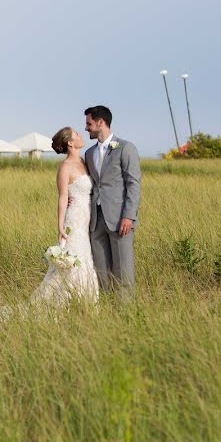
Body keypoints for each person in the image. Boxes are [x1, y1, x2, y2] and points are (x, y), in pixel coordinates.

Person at [0, 127, 98, 320]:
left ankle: (85, 304)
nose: (81, 136)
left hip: (87, 218)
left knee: (86, 260)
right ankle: (60, 305)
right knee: (70, 264)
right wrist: (59, 226)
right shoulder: (65, 167)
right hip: (74, 220)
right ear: (70, 143)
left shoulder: (84, 161)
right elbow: (63, 197)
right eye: (77, 135)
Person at [83, 105, 141, 302]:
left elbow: (134, 184)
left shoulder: (126, 148)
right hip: (96, 220)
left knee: (123, 270)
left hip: (119, 219)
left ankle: (126, 313)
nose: (86, 128)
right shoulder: (89, 154)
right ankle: (108, 310)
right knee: (101, 271)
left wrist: (129, 216)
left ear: (101, 122)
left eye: (89, 123)